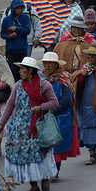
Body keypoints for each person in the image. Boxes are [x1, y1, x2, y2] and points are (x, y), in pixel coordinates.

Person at [0, 57, 58, 191]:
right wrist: (1, 123)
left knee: (39, 154)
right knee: (26, 157)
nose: (20, 71)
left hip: (37, 127)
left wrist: (41, 107)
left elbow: (54, 102)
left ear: (31, 71)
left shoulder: (44, 85)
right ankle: (33, 185)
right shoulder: (18, 85)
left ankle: (44, 178)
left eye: (23, 69)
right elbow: (10, 105)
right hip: (20, 130)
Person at [39, 52, 80, 182]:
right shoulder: (41, 78)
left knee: (56, 146)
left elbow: (67, 100)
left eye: (49, 63)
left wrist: (52, 111)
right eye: (45, 63)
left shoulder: (63, 79)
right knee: (45, 145)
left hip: (61, 117)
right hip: (44, 116)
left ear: (56, 64)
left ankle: (55, 171)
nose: (46, 66)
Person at [0, 0, 32, 81]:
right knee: (11, 71)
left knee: (22, 72)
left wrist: (16, 28)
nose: (19, 10)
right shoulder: (6, 20)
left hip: (22, 50)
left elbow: (28, 31)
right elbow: (2, 34)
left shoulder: (25, 18)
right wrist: (9, 37)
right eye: (17, 8)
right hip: (10, 51)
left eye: (21, 8)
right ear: (13, 8)